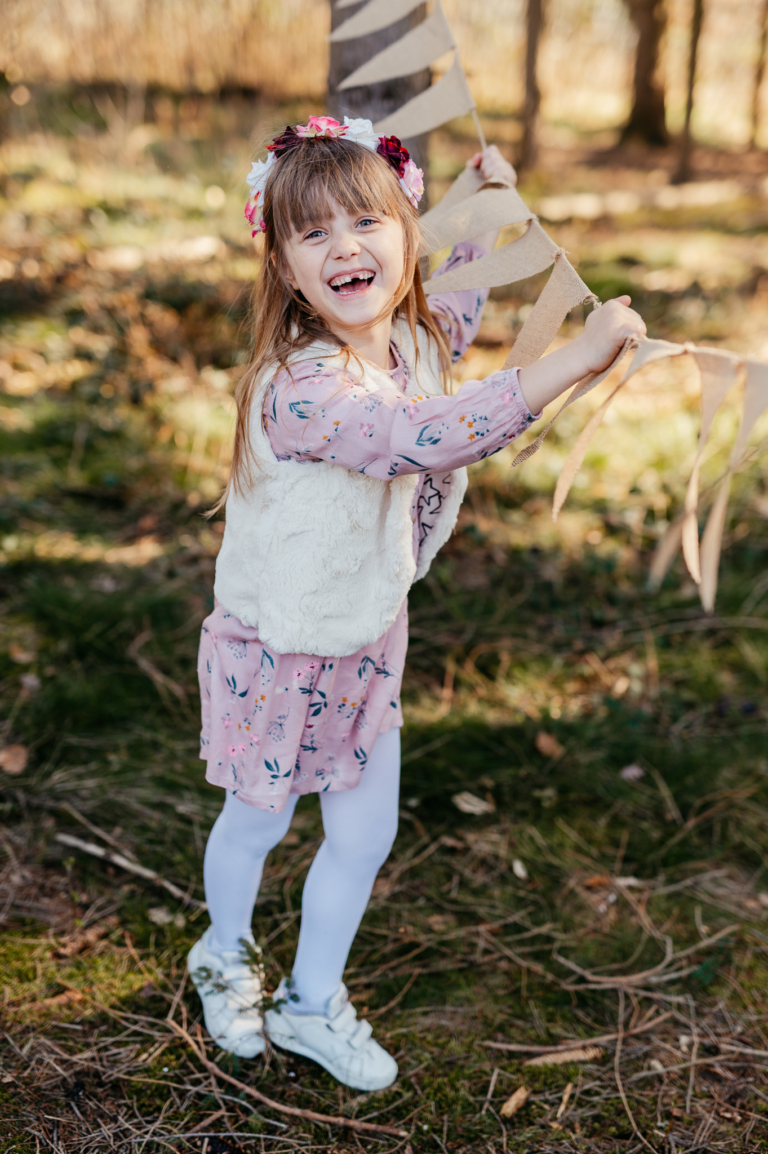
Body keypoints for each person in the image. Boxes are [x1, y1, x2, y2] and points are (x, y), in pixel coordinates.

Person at [188, 115, 646, 1092]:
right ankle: (222, 950)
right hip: (281, 651)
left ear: (406, 230)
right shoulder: (306, 389)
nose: (346, 246)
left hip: (363, 641)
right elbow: (429, 433)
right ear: (283, 267)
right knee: (260, 819)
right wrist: (578, 357)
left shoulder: (406, 333)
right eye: (313, 234)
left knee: (362, 832)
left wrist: (482, 209)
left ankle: (312, 998)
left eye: (367, 221)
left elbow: (459, 320)